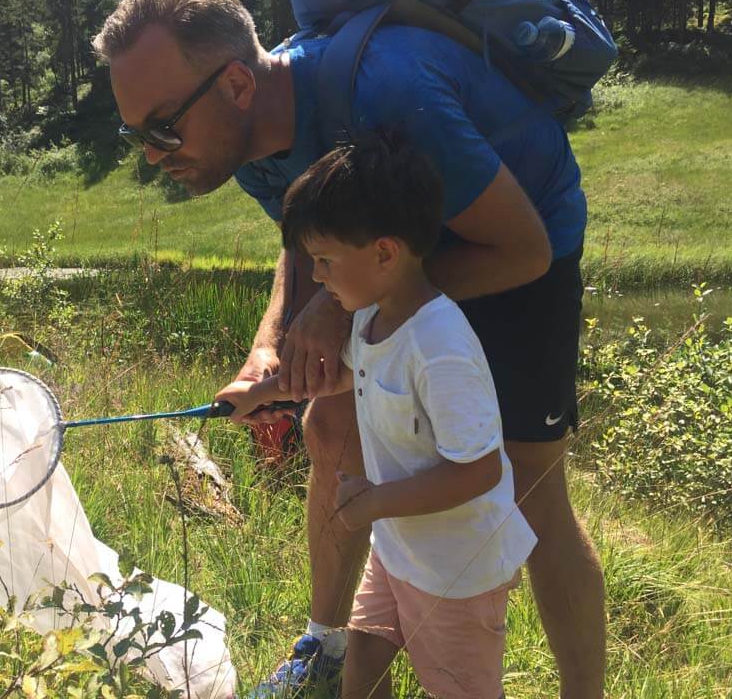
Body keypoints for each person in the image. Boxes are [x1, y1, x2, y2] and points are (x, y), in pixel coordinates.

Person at [93, 0, 605, 698]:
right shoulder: (242, 140)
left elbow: (519, 248)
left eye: (162, 127)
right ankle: (329, 651)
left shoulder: (387, 91)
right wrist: (269, 348)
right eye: (135, 134)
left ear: (238, 84)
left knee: (529, 489)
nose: (152, 153)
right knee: (329, 422)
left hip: (518, 248)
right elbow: (301, 242)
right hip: (387, 260)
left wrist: (344, 310)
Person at [217, 132, 537, 699]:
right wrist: (262, 395)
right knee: (362, 661)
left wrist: (376, 502)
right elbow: (347, 376)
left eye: (324, 260)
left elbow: (481, 471)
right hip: (398, 549)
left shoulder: (440, 348)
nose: (315, 277)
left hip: (455, 570)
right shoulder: (371, 316)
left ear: (385, 253)